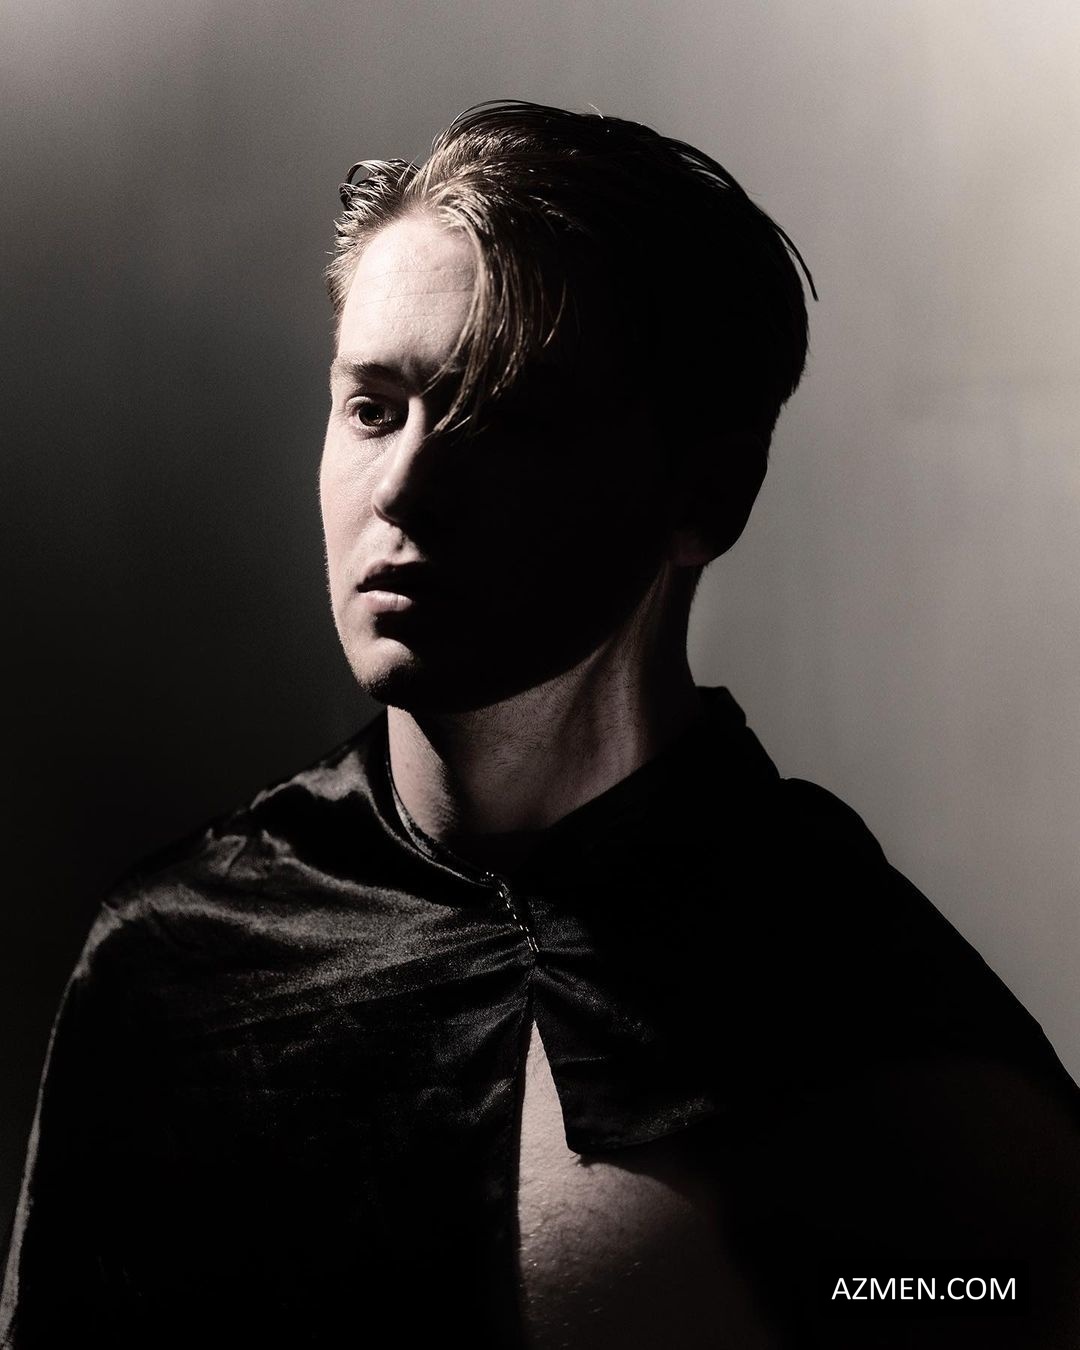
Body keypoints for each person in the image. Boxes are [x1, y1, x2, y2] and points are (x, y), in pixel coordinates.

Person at [2, 99, 1078, 1350]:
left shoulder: (871, 1012)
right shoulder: (178, 960)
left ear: (707, 495)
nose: (405, 486)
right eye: (373, 407)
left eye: (502, 416)